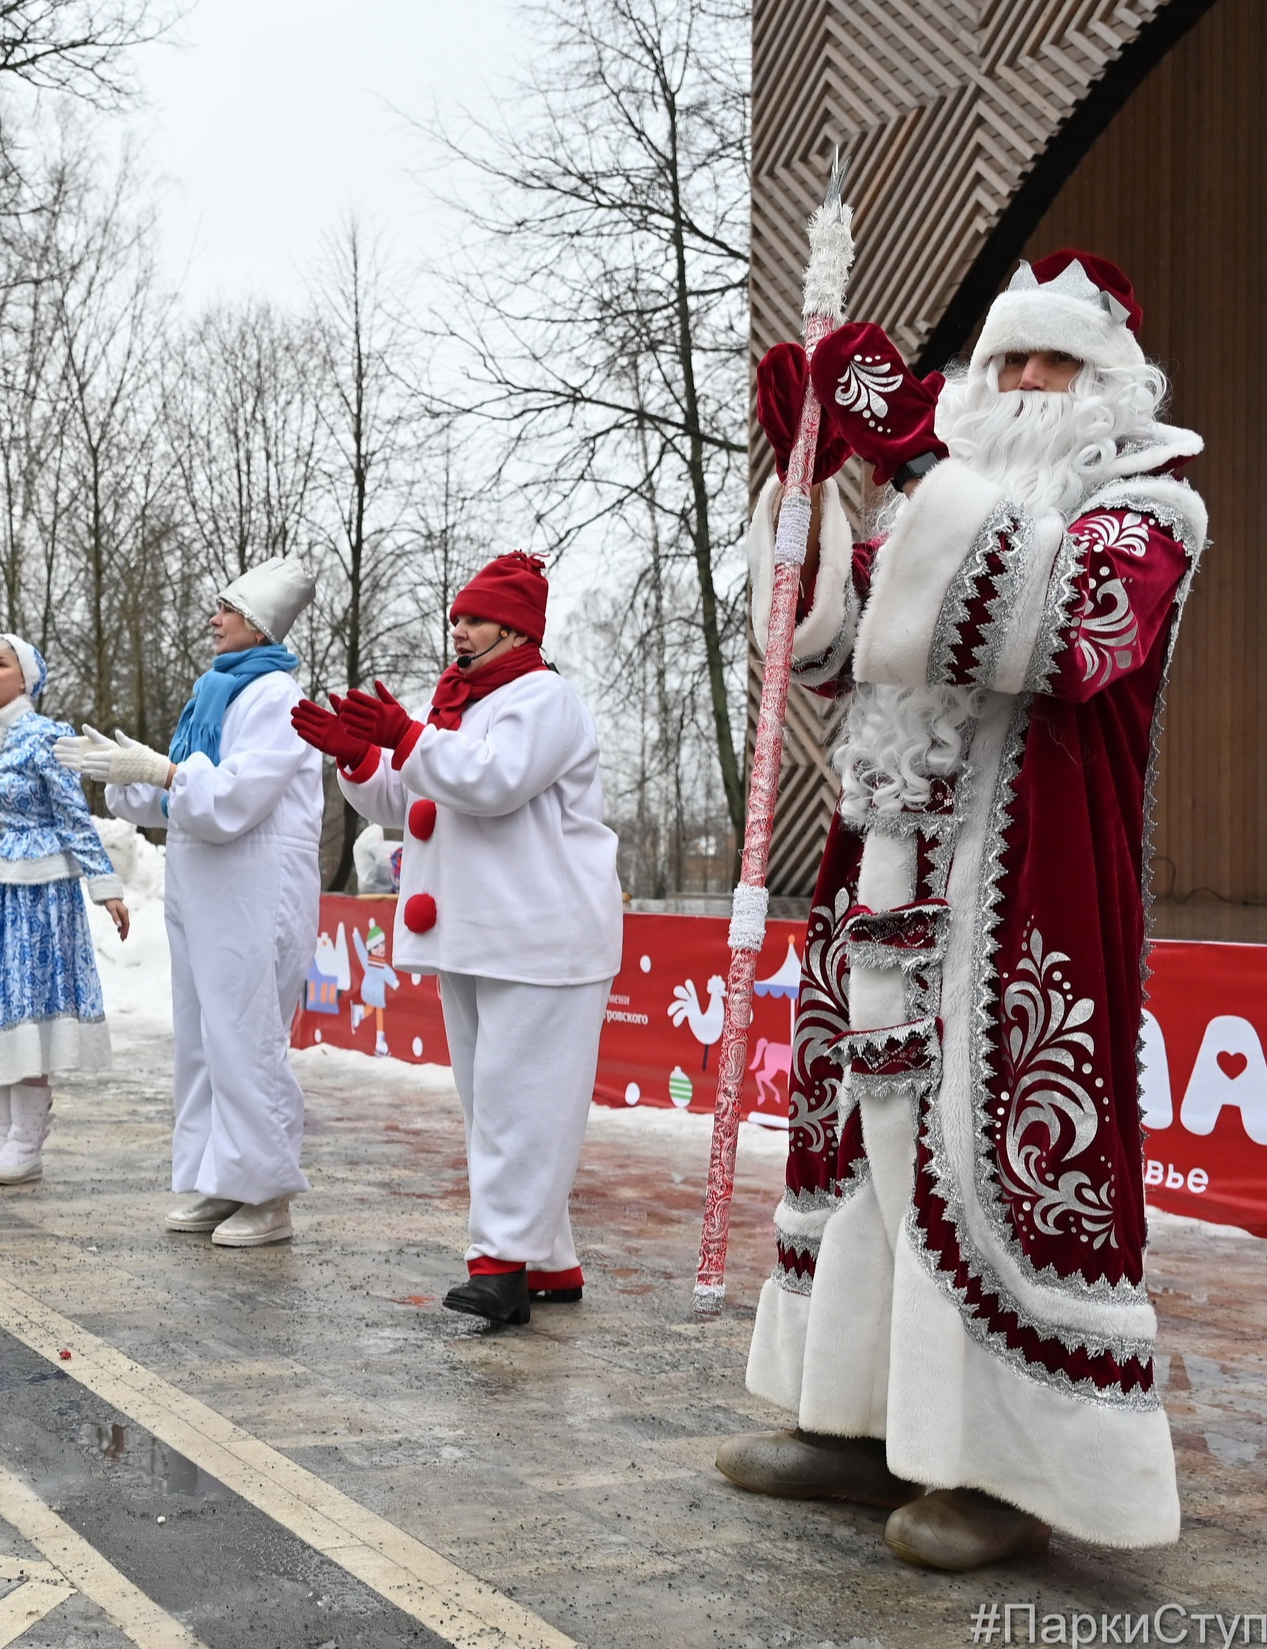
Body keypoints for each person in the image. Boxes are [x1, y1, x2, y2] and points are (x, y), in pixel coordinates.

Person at [717, 251, 1203, 1570]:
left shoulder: (1149, 512)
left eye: (1052, 362)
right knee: (868, 1154)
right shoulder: (935, 502)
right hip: (885, 886)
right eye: (1004, 363)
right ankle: (858, 1416)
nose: (1024, 385)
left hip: (1024, 905)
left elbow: (1055, 630)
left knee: (996, 1169)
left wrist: (917, 478)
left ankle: (1005, 1464)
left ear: (1109, 382)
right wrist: (815, 483)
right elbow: (815, 647)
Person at [295, 551, 621, 1323]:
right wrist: (356, 756)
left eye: (473, 618)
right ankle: (545, 1259)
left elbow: (492, 781)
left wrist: (405, 735)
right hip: (483, 932)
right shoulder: (461, 706)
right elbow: (410, 795)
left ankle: (501, 1266)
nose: (459, 631)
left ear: (514, 626)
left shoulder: (544, 699)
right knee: (497, 1102)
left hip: (541, 935)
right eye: (457, 618)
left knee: (518, 1101)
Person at [60, 558, 322, 1248]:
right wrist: (127, 775)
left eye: (226, 609)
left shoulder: (276, 696)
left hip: (254, 888)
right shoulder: (215, 692)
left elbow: (233, 797)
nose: (214, 618)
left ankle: (267, 1192)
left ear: (258, 622)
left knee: (246, 1038)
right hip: (205, 887)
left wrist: (164, 771)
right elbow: (177, 797)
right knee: (204, 1041)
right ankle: (222, 1176)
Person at [0, 635, 129, 1185]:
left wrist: (105, 884)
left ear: (25, 678)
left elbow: (74, 816)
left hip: (36, 893)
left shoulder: (47, 736)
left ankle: (26, 1144)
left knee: (26, 1006)